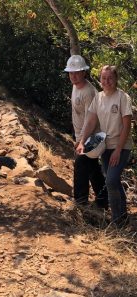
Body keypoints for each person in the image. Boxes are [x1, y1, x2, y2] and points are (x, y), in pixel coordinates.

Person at [77, 65, 133, 226]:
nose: (106, 81)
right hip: (104, 146)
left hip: (121, 146)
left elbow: (127, 126)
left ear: (116, 79)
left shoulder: (123, 97)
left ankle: (117, 221)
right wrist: (82, 142)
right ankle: (123, 217)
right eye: (103, 78)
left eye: (110, 78)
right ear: (100, 79)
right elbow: (91, 121)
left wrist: (118, 150)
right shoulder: (99, 97)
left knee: (110, 180)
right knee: (113, 181)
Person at [64, 55, 107, 208]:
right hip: (83, 135)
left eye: (76, 73)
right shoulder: (76, 86)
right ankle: (103, 201)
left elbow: (91, 119)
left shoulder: (89, 92)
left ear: (84, 72)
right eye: (71, 73)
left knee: (81, 165)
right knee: (93, 168)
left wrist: (81, 140)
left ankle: (80, 202)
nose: (73, 76)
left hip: (93, 135)